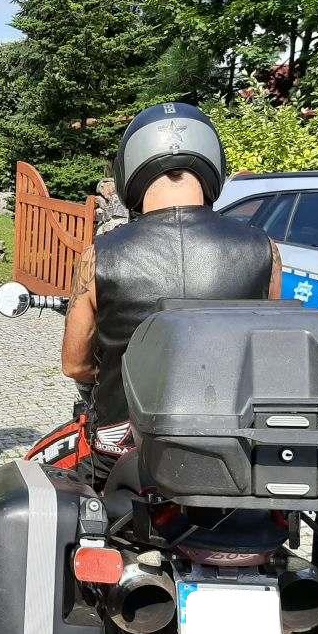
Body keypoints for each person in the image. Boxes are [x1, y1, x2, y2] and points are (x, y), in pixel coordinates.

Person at [61, 102, 282, 485]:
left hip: (125, 449)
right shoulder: (263, 249)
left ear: (130, 171)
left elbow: (74, 365)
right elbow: (270, 343)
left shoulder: (100, 255)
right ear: (212, 166)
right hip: (229, 445)